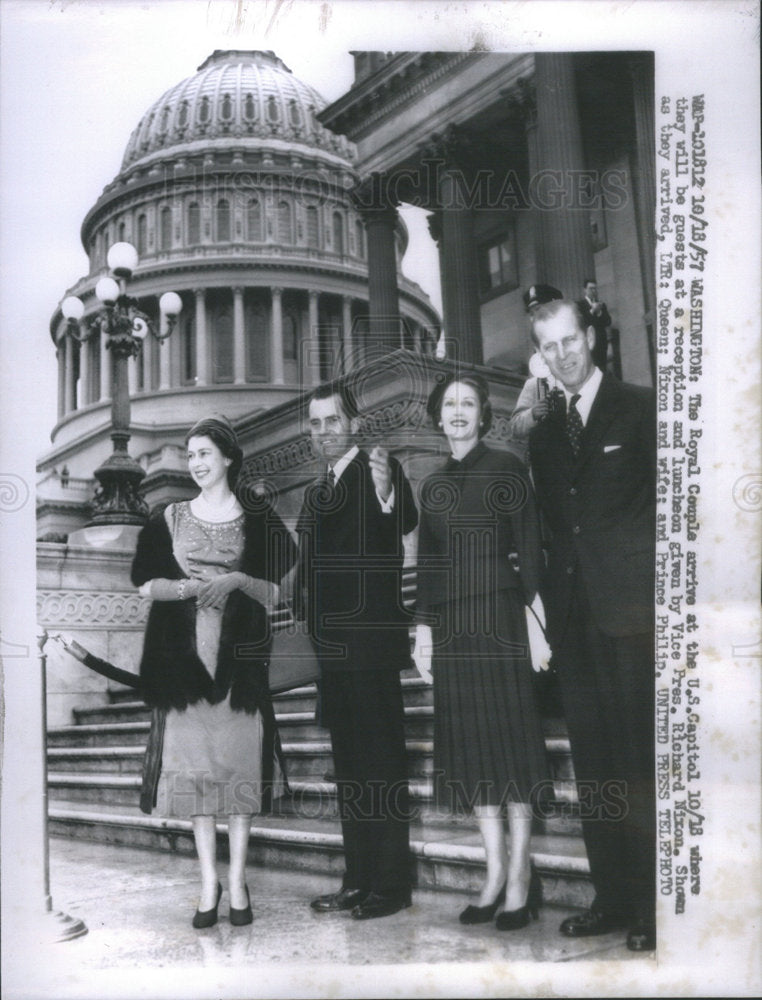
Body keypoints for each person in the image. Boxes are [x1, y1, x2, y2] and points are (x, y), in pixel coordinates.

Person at [131, 414, 296, 929]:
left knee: (239, 773)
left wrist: (239, 579)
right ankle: (209, 883)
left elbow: (277, 591)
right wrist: (185, 589)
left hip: (240, 666)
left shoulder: (258, 516)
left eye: (205, 453)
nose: (197, 463)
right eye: (191, 454)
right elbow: (142, 583)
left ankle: (239, 879)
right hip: (183, 665)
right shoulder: (168, 515)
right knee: (198, 779)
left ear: (228, 458)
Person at [528, 300, 656, 952]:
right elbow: (553, 529)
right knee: (597, 769)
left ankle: (655, 906)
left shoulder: (641, 408)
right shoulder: (544, 434)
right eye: (549, 346)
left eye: (569, 339)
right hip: (575, 621)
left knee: (638, 763)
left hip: (633, 615)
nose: (563, 354)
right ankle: (611, 895)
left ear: (591, 335)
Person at [413, 373, 551, 931]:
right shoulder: (433, 485)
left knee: (511, 744)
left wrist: (537, 622)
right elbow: (427, 566)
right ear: (438, 417)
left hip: (500, 618)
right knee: (472, 749)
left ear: (482, 414)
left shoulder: (507, 468)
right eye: (449, 404)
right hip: (452, 628)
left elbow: (532, 546)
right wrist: (422, 630)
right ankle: (493, 871)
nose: (459, 411)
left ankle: (520, 873)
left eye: (468, 402)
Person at [294, 381, 418, 921]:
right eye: (315, 424)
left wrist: (389, 491)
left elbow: (403, 516)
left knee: (382, 767)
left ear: (353, 423)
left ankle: (391, 885)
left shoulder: (379, 471)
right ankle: (358, 878)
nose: (323, 432)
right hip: (332, 656)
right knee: (348, 770)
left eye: (332, 421)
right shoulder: (313, 491)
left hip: (370, 649)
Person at [509, 284, 565, 457]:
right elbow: (515, 426)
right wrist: (533, 413)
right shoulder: (534, 385)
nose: (534, 318)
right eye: (531, 313)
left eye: (538, 310)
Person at [576, 278, 612, 371]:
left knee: (603, 369)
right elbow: (581, 322)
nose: (593, 291)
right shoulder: (580, 305)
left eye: (595, 288)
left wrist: (600, 312)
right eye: (590, 288)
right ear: (585, 290)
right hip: (589, 344)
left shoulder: (601, 305)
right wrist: (592, 311)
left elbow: (608, 321)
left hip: (602, 344)